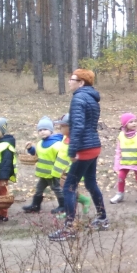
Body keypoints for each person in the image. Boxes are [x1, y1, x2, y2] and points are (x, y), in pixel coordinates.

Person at [48, 70, 106, 242]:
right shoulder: (92, 98)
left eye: (72, 79)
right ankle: (103, 219)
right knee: (90, 183)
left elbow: (78, 126)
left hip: (84, 149)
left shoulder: (79, 98)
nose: (69, 81)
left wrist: (73, 150)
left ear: (81, 83)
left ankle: (69, 228)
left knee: (69, 187)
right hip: (94, 146)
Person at [49, 114, 91, 217]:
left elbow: (78, 158)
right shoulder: (65, 137)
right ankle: (82, 201)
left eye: (63, 126)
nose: (60, 128)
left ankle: (69, 212)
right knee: (68, 191)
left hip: (71, 172)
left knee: (69, 191)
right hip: (62, 171)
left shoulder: (76, 142)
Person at [22, 117, 64, 213]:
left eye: (45, 129)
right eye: (40, 130)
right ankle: (35, 205)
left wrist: (60, 171)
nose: (42, 132)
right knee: (39, 188)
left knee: (57, 189)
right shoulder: (40, 143)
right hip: (44, 173)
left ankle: (63, 206)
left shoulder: (57, 144)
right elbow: (37, 154)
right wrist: (30, 149)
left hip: (53, 173)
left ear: (51, 130)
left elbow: (62, 158)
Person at [110, 113, 137, 204]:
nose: (134, 123)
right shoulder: (121, 135)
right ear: (125, 124)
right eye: (131, 122)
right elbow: (118, 151)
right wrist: (117, 165)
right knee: (121, 177)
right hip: (124, 162)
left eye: (135, 121)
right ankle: (120, 194)